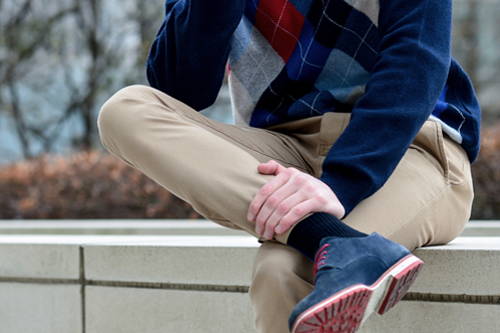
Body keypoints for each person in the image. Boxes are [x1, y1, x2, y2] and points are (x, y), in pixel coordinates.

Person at [96, 0, 480, 332]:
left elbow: (415, 62)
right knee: (126, 111)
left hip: (409, 147)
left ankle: (327, 237)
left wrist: (340, 184)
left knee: (282, 270)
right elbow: (182, 88)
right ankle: (336, 240)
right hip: (284, 147)